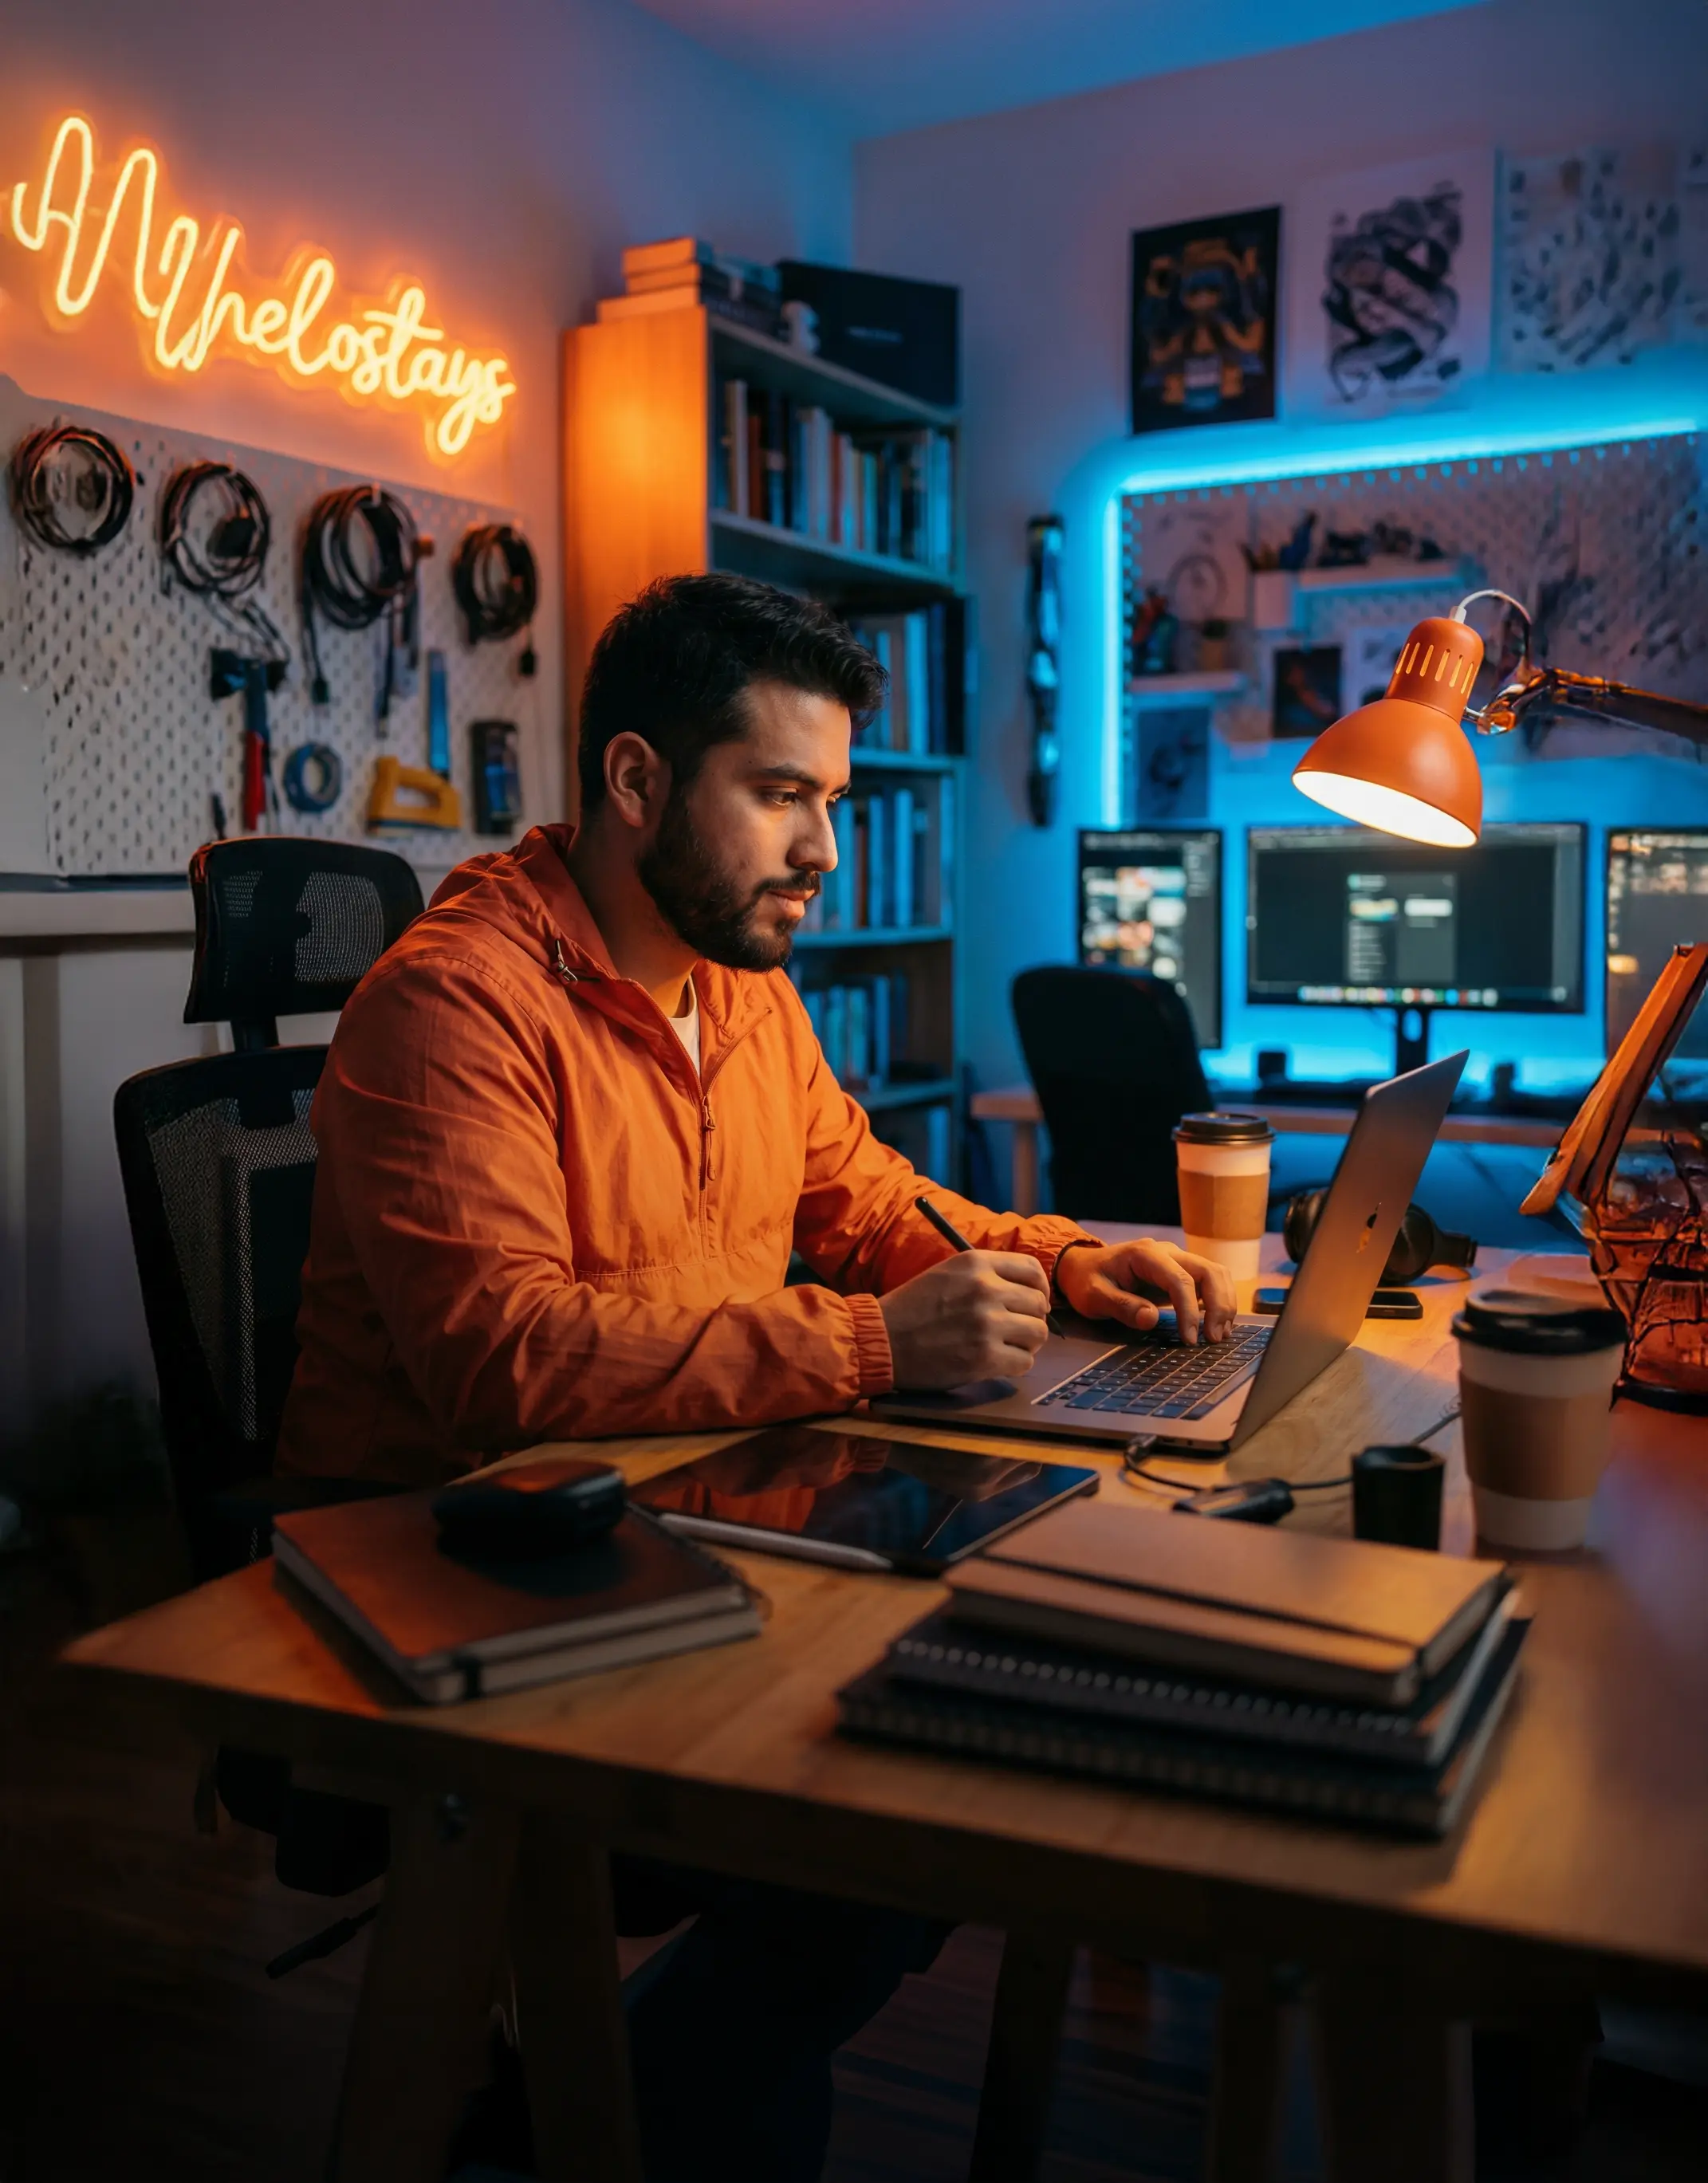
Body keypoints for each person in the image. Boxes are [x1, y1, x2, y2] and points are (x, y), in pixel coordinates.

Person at [278, 572, 1234, 2181]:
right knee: (902, 1799)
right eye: (781, 795)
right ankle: (580, 2134)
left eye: (836, 801)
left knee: (976, 1737)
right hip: (459, 1563)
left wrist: (1059, 1254)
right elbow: (502, 1363)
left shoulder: (742, 992)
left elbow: (863, 1201)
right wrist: (869, 1343)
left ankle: (621, 2118)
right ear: (638, 781)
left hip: (675, 1515)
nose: (825, 851)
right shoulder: (453, 1006)